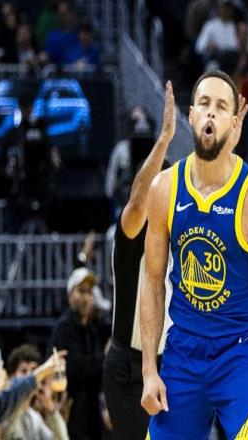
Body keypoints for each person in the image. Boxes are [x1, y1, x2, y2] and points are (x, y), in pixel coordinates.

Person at [140, 70, 248, 439]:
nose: (211, 112)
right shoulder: (164, 189)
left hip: (239, 350)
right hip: (183, 350)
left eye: (222, 106)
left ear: (234, 124)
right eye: (204, 103)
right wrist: (149, 370)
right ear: (191, 114)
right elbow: (152, 279)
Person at [102, 81, 175, 440]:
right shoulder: (132, 236)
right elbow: (136, 201)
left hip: (172, 364)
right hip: (127, 369)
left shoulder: (185, 241)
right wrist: (164, 140)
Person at [49, 268, 108, 439]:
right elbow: (75, 367)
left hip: (92, 412)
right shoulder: (63, 328)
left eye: (89, 292)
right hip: (70, 411)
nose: (86, 297)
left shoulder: (92, 329)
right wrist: (103, 360)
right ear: (69, 296)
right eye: (81, 291)